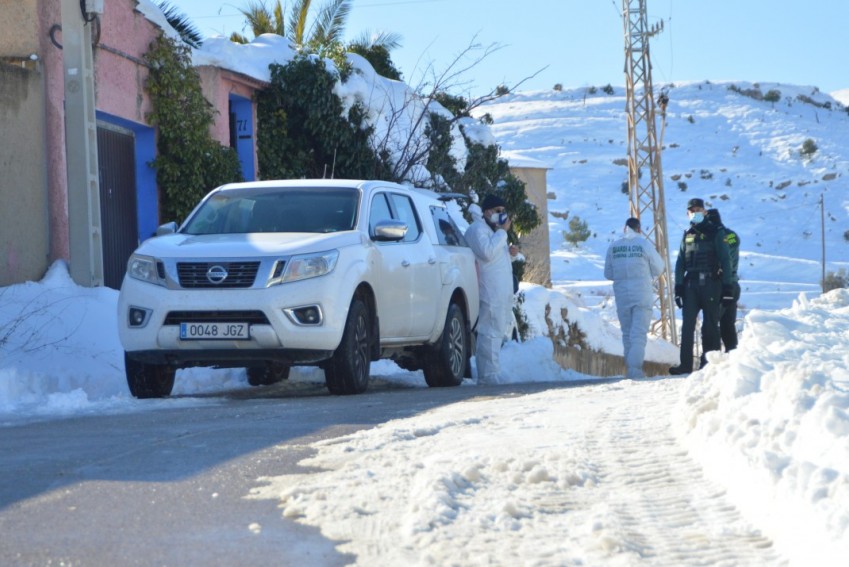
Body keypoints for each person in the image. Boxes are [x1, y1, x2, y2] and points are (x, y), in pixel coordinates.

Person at [669, 198, 734, 375]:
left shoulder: (716, 232)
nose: (695, 212)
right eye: (692, 210)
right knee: (687, 326)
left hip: (711, 284)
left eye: (698, 209)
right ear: (687, 213)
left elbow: (726, 260)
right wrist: (679, 288)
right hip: (691, 285)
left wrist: (728, 287)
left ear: (705, 211)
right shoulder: (687, 234)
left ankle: (708, 365)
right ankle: (684, 365)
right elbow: (680, 262)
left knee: (710, 326)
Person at [604, 217, 665, 379]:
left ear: (625, 228)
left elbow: (608, 273)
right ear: (639, 229)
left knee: (627, 333)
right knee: (638, 333)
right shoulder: (644, 245)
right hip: (642, 293)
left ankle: (631, 369)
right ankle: (635, 370)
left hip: (622, 294)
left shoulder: (614, 247)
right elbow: (659, 268)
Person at [465, 194, 515, 384]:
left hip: (500, 291)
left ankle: (493, 370)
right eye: (498, 211)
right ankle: (487, 375)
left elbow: (495, 260)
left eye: (504, 211)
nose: (502, 215)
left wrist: (510, 254)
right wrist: (502, 233)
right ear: (487, 212)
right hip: (489, 291)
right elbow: (486, 253)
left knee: (497, 332)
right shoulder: (478, 230)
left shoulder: (491, 231)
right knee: (489, 332)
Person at [705, 208, 741, 351]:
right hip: (732, 284)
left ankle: (714, 357)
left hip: (724, 284)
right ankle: (731, 354)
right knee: (727, 324)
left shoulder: (727, 235)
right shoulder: (731, 235)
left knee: (713, 323)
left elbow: (728, 249)